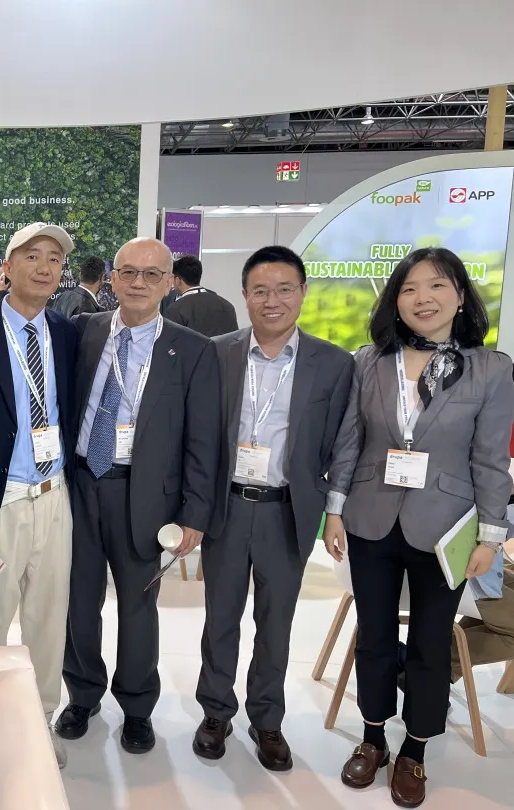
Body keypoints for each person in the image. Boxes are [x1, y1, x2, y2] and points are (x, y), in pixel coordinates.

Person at [323, 247, 513, 808]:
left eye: (437, 286)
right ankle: (373, 737)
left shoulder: (491, 368)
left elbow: (490, 459)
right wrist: (334, 509)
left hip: (445, 526)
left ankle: (416, 749)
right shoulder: (369, 361)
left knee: (431, 642)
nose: (422, 298)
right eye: (409, 288)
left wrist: (491, 536)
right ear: (395, 299)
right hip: (370, 517)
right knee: (375, 635)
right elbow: (350, 441)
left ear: (460, 296)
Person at [58, 237, 220, 756]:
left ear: (170, 282)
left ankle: (136, 705)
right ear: (112, 278)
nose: (139, 283)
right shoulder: (84, 331)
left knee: (138, 606)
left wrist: (195, 511)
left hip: (146, 496)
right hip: (80, 486)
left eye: (152, 274)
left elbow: (202, 439)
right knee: (78, 601)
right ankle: (82, 693)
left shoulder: (192, 349)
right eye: (128, 272)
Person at [193, 245, 352, 770]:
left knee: (276, 621)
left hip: (288, 510)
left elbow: (343, 446)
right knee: (220, 616)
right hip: (226, 507)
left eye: (285, 289)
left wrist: (335, 511)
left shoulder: (333, 364)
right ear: (244, 295)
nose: (272, 300)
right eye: (260, 290)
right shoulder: (217, 353)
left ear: (303, 292)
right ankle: (215, 711)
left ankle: (267, 719)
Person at [0, 222, 80, 768]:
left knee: (49, 618)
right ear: (6, 267)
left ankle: (41, 718)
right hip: (1, 499)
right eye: (32, 255)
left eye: (54, 258)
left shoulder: (68, 333)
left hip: (55, 494)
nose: (44, 266)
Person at [164, 254, 238, 337]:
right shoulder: (227, 306)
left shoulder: (175, 310)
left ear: (178, 280)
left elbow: (168, 342)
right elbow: (236, 340)